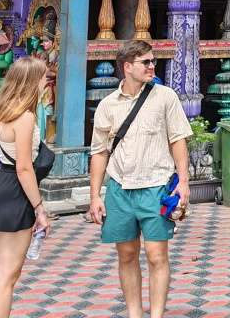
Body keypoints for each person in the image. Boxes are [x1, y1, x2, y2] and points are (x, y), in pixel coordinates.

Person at [88, 40, 192, 318]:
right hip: (120, 188)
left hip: (156, 185)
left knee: (157, 255)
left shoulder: (165, 96)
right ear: (127, 67)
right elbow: (99, 153)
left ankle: (156, 315)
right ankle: (135, 313)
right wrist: (95, 195)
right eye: (145, 62)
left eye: (152, 61)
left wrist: (183, 182)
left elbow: (178, 140)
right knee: (127, 254)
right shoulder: (108, 105)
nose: (151, 66)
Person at [0, 56, 53, 318]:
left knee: (5, 273)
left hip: (4, 185)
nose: (47, 82)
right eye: (44, 77)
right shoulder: (23, 117)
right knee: (7, 275)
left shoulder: (3, 113)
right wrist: (40, 208)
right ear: (32, 81)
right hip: (16, 190)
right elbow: (24, 167)